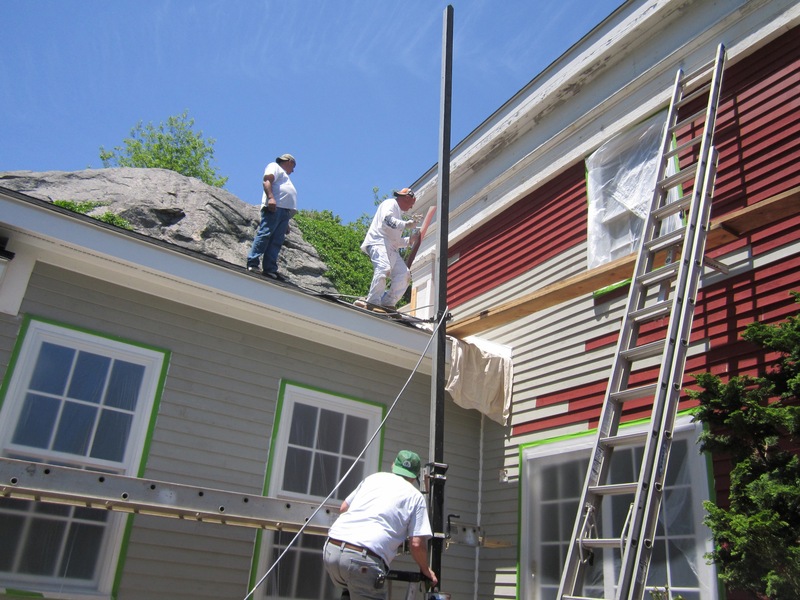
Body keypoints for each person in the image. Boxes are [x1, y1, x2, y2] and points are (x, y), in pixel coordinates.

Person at [323, 450, 438, 600]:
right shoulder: (415, 496)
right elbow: (416, 544)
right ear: (415, 476)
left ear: (393, 465)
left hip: (332, 550)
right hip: (362, 560)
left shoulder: (373, 478)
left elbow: (344, 508)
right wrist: (425, 569)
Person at [357, 188, 421, 310]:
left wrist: (409, 240)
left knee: (404, 274)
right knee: (383, 268)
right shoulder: (390, 203)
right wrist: (406, 224)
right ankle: (372, 302)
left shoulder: (398, 213)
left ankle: (387, 303)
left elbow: (393, 241)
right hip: (378, 242)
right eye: (411, 204)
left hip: (390, 247)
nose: (411, 207)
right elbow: (387, 220)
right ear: (407, 198)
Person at [246, 153, 298, 280]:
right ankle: (253, 262)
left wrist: (286, 222)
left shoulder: (284, 176)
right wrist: (271, 198)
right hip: (275, 208)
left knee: (276, 241)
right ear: (289, 162)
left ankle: (270, 269)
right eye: (293, 167)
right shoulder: (275, 166)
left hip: (284, 212)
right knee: (265, 234)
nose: (293, 171)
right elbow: (267, 181)